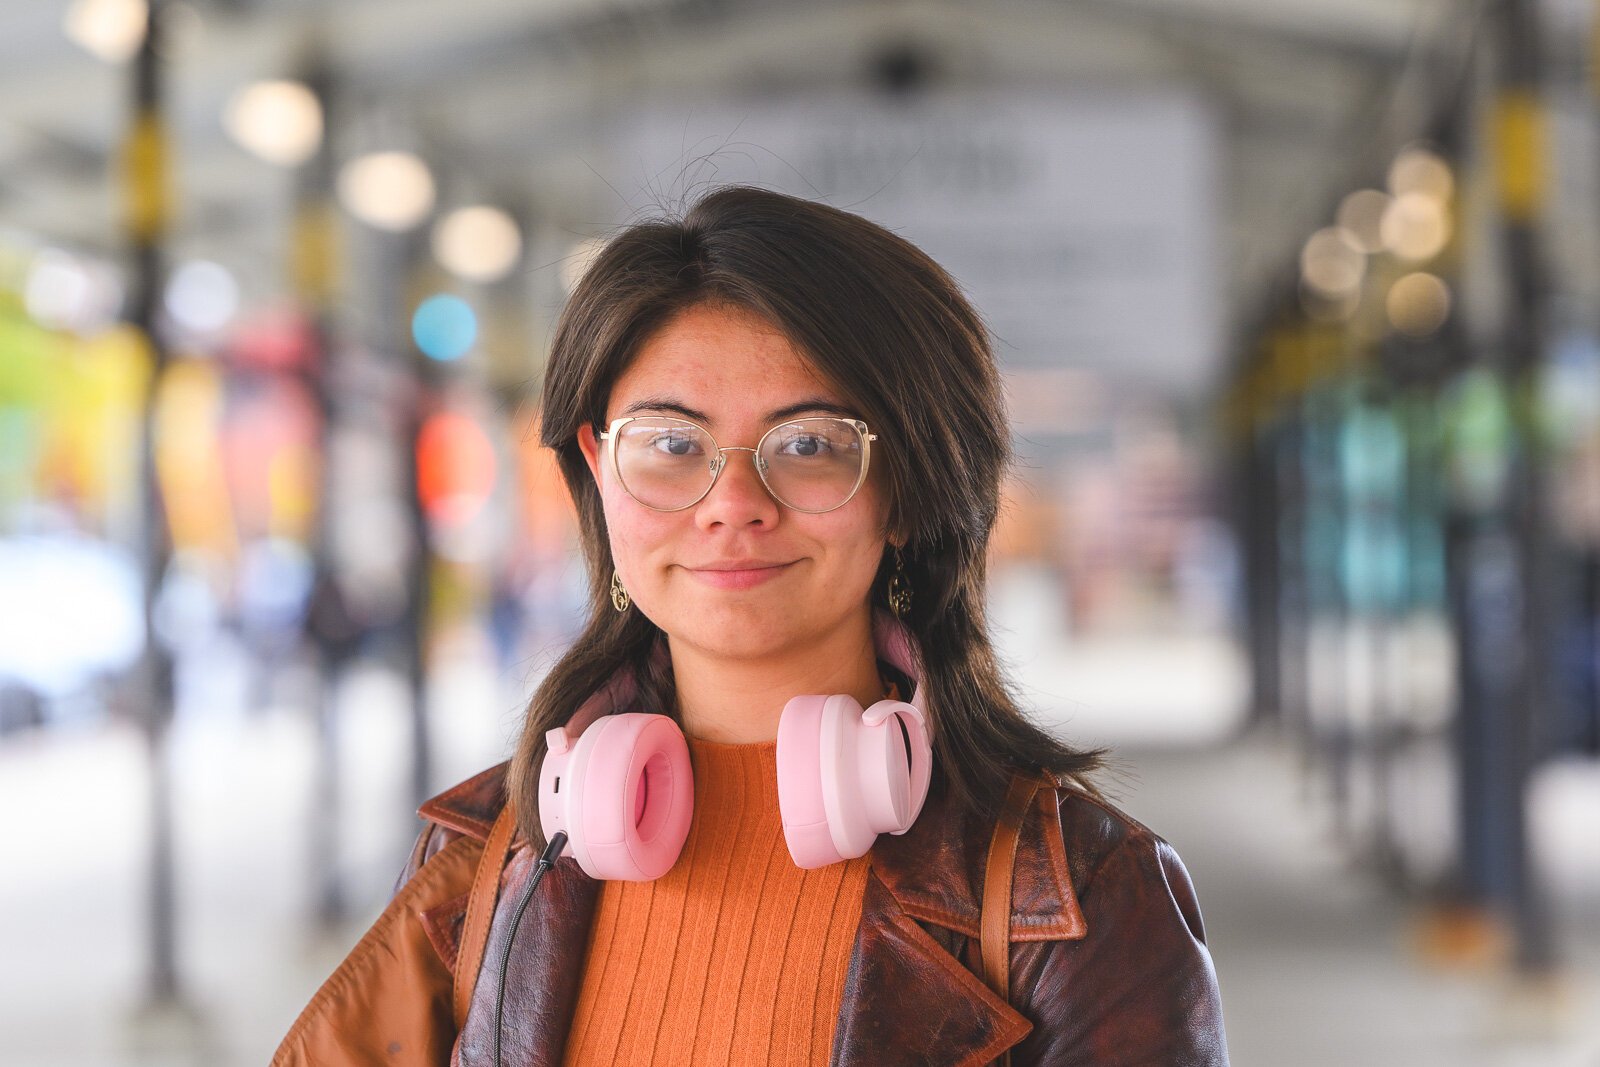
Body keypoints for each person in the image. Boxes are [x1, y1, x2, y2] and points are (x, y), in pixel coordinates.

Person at [273, 186, 1228, 1066]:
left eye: (809, 444)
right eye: (671, 444)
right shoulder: (485, 863)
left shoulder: (1082, 896)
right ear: (599, 472)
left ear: (907, 491)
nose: (732, 502)